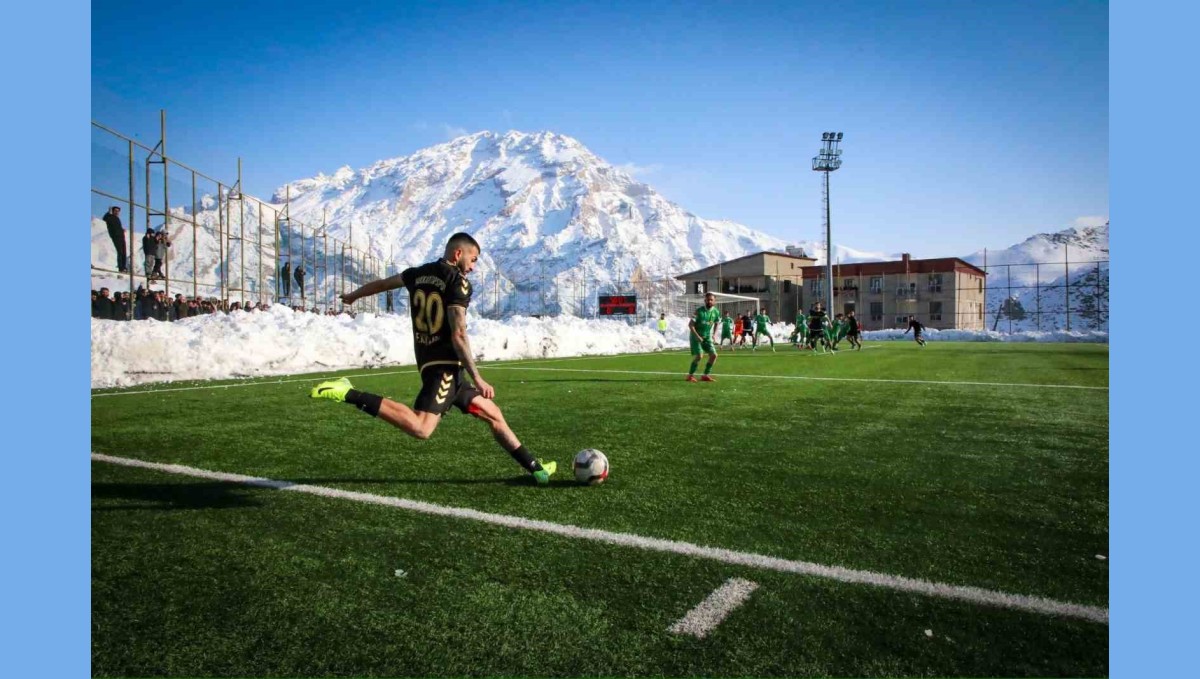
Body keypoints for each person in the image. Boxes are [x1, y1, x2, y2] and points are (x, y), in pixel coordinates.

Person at [310, 232, 557, 485]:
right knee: (422, 428)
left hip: (434, 364)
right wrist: (479, 378)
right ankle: (348, 392)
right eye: (473, 260)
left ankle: (536, 469)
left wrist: (354, 296)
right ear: (458, 254)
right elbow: (459, 333)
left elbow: (383, 284)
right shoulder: (457, 283)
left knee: (493, 414)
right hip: (445, 368)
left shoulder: (417, 273)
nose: (472, 267)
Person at [686, 292, 720, 382]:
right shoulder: (699, 311)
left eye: (711, 300)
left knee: (714, 355)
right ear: (705, 300)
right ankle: (690, 375)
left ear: (714, 301)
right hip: (695, 336)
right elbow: (690, 325)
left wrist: (714, 334)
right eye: (707, 300)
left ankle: (705, 375)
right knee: (699, 356)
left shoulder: (716, 312)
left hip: (707, 337)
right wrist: (697, 336)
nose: (709, 301)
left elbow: (717, 322)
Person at [102, 206, 127, 273]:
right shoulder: (110, 217)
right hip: (116, 236)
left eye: (118, 211)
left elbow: (117, 227)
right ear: (112, 211)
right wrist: (108, 212)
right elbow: (104, 218)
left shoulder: (117, 218)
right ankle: (121, 268)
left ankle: (124, 267)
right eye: (115, 210)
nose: (117, 212)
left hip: (121, 236)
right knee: (120, 252)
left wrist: (122, 230)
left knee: (124, 252)